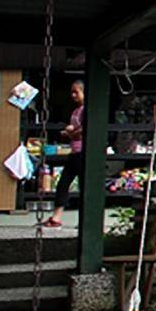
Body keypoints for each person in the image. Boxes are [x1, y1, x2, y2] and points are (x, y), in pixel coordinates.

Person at [44, 79, 87, 229]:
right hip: (74, 152)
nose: (73, 95)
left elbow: (83, 131)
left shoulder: (87, 110)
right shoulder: (76, 111)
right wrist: (70, 132)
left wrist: (70, 133)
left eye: (77, 91)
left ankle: (85, 220)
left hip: (84, 152)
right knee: (63, 184)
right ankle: (56, 217)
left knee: (84, 187)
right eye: (72, 92)